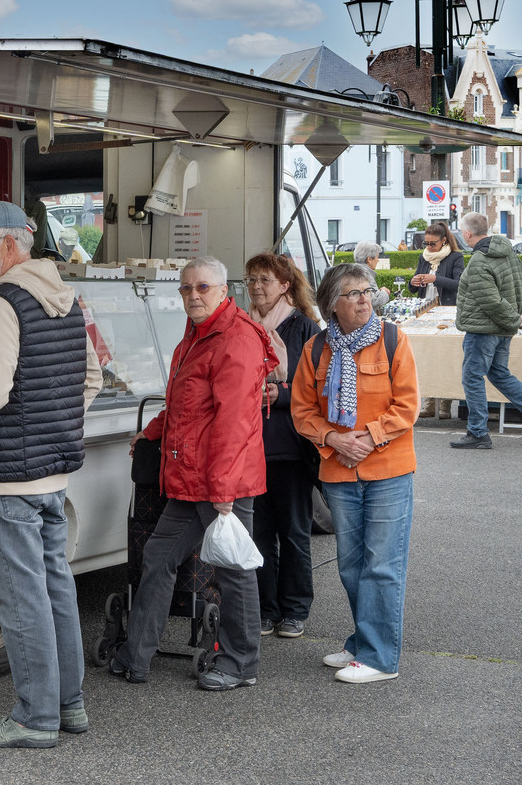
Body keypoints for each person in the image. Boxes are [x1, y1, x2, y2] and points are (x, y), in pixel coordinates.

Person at [0, 200, 102, 748]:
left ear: (9, 244)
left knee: (19, 598)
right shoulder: (66, 297)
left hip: (6, 478)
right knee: (55, 588)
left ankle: (35, 718)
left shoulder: (0, 303)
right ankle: (69, 704)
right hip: (53, 476)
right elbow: (91, 379)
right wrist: (55, 424)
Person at [109, 257, 277, 691]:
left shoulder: (236, 338)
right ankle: (135, 656)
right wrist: (152, 431)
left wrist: (223, 489)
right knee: (158, 557)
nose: (192, 295)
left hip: (221, 481)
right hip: (194, 477)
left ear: (223, 290)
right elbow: (187, 405)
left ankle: (240, 664)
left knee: (233, 570)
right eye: (185, 288)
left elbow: (234, 423)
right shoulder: (199, 332)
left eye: (202, 287)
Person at [291, 263, 419, 683]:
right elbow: (302, 411)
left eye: (368, 291)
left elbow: (408, 406)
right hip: (339, 471)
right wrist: (333, 438)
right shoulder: (316, 349)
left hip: (388, 470)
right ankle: (363, 642)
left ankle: (380, 659)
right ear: (332, 303)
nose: (365, 300)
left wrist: (367, 438)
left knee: (381, 565)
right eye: (354, 293)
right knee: (351, 566)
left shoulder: (393, 340)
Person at [244, 253, 321, 640]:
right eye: (251, 280)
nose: (256, 287)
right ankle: (264, 608)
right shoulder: (241, 324)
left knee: (293, 532)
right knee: (258, 532)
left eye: (265, 280)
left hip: (290, 446)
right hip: (249, 445)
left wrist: (282, 394)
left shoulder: (305, 327)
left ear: (285, 285)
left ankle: (294, 609)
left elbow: (320, 385)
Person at [449, 212, 522, 449]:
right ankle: (478, 431)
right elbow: (518, 286)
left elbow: (490, 301)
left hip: (483, 329)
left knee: (472, 377)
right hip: (502, 328)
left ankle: (478, 432)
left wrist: (515, 319)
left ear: (467, 233)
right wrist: (515, 319)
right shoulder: (508, 252)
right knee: (499, 374)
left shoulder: (480, 259)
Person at [409, 221, 465, 419]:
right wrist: (413, 282)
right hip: (426, 313)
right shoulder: (424, 257)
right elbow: (413, 287)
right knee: (428, 357)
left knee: (446, 357)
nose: (429, 247)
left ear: (444, 240)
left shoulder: (455, 257)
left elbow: (460, 284)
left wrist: (435, 279)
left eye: (433, 243)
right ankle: (430, 402)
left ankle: (445, 403)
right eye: (426, 243)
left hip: (447, 312)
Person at [352, 241, 391, 315]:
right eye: (377, 257)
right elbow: (374, 301)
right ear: (369, 260)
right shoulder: (364, 274)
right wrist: (384, 292)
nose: (378, 260)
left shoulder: (354, 271)